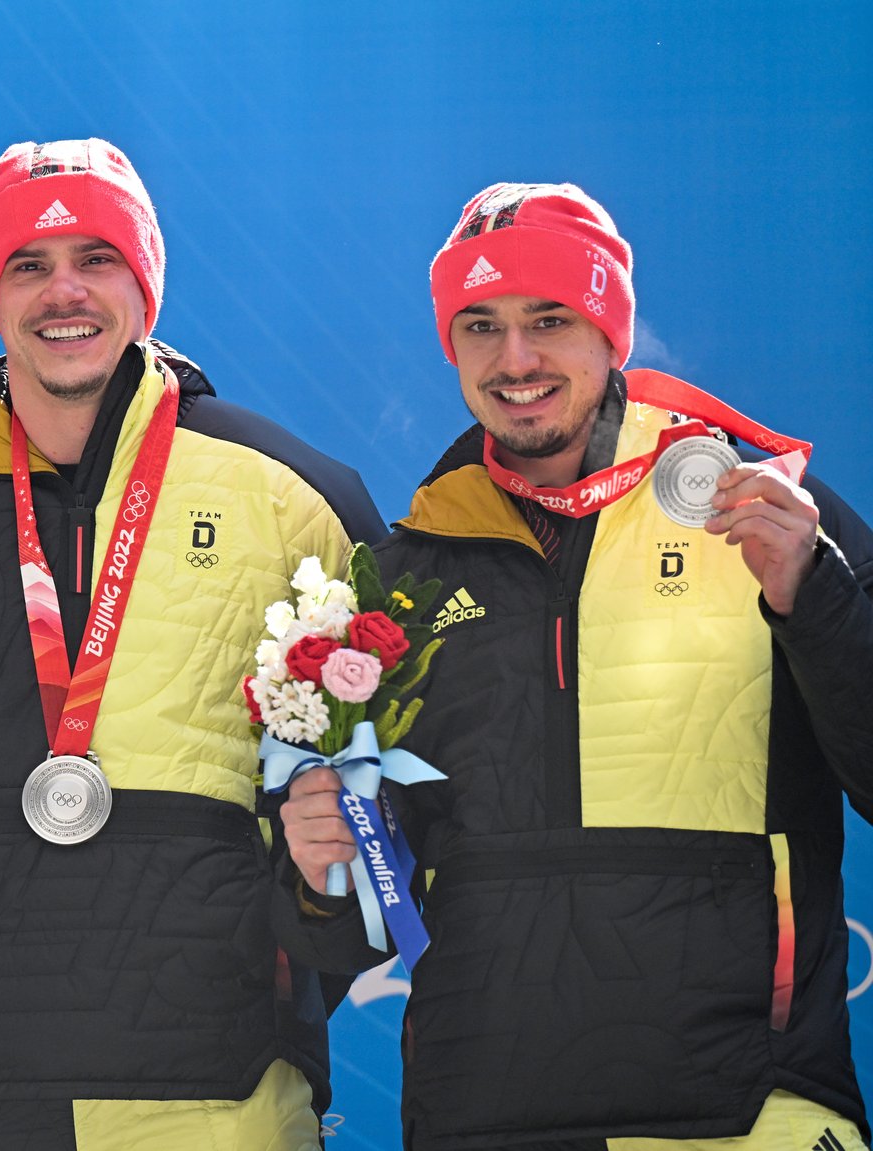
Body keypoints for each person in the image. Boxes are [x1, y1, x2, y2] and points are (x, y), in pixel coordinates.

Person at [0, 137, 386, 1151]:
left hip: (221, 1092)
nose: (63, 291)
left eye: (95, 258)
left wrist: (310, 942)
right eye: (28, 263)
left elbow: (386, 806)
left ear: (142, 282)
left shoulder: (294, 495)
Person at [273, 182, 873, 1150]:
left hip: (742, 1107)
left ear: (608, 331)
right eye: (479, 325)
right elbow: (355, 938)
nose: (513, 360)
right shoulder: (402, 577)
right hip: (482, 1110)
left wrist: (814, 595)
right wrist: (316, 870)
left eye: (547, 320)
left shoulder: (763, 512)